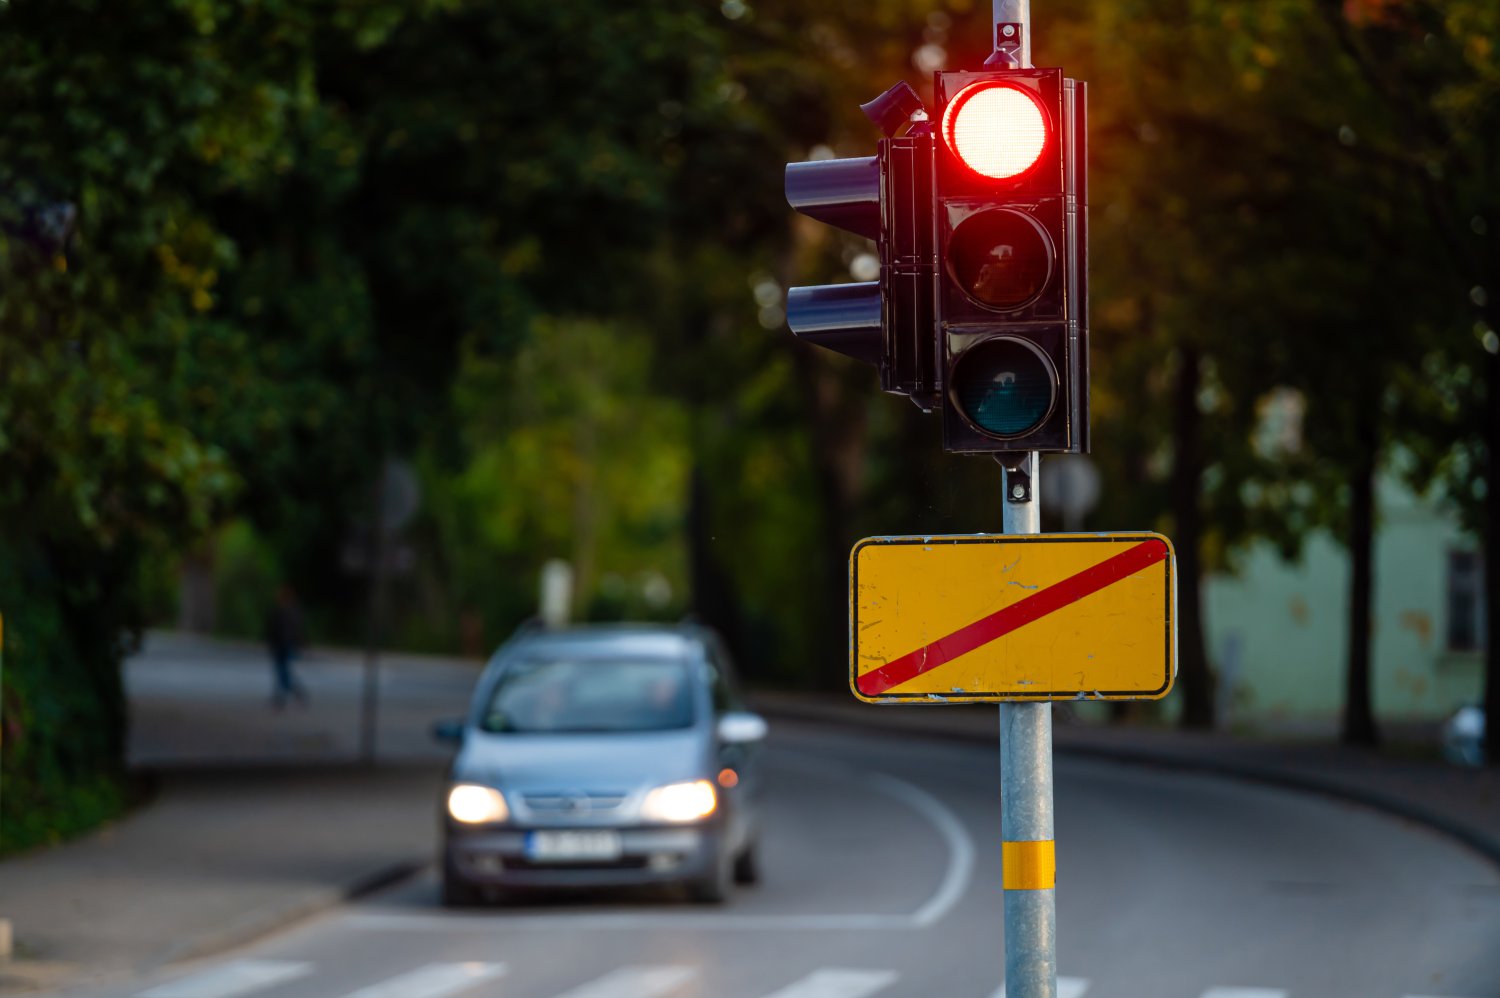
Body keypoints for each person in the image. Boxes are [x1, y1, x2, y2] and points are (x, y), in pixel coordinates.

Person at [265, 585, 308, 708]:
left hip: (285, 644)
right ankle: (287, 693)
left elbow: (296, 629)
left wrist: (299, 643)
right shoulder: (285, 611)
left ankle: (288, 693)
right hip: (282, 644)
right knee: (281, 670)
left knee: (282, 670)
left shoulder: (289, 611)